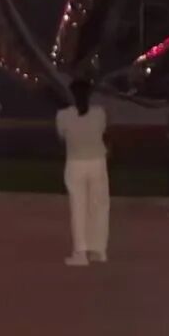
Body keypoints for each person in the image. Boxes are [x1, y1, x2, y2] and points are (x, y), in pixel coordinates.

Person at [55, 79, 110, 267]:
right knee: (99, 206)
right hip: (97, 161)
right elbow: (102, 132)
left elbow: (62, 136)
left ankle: (80, 252)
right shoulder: (99, 113)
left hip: (75, 162)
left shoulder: (63, 115)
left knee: (78, 207)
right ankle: (99, 250)